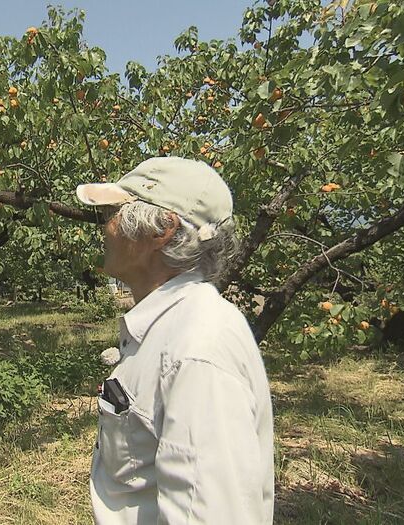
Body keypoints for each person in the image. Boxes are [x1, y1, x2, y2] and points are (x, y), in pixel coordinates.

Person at [75, 157, 274, 524]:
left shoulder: (196, 349)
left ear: (160, 231)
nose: (106, 228)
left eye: (113, 213)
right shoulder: (170, 329)